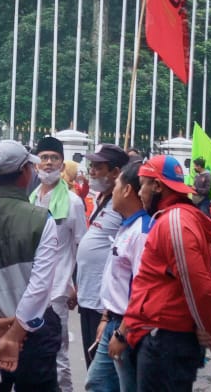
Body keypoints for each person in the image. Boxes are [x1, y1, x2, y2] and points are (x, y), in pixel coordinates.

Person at [114, 156, 211, 392]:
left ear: (158, 186)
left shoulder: (175, 222)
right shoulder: (172, 218)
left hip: (166, 342)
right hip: (160, 336)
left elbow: (197, 285)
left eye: (143, 185)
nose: (139, 193)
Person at [0, 140, 63, 391]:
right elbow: (40, 286)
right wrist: (15, 335)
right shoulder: (41, 218)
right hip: (34, 333)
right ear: (25, 173)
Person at [29, 135, 86, 392]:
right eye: (44, 158)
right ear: (36, 164)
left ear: (62, 165)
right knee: (32, 348)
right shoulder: (30, 200)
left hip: (57, 289)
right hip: (30, 289)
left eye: (54, 158)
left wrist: (74, 284)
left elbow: (80, 247)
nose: (49, 163)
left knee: (59, 351)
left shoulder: (73, 202)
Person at [85, 160, 146, 392]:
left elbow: (142, 289)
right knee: (98, 383)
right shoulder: (127, 227)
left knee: (124, 386)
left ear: (128, 189)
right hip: (114, 321)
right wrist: (105, 318)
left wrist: (122, 333)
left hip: (126, 326)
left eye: (118, 183)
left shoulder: (141, 233)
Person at [74, 144, 129, 367]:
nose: (92, 171)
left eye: (98, 167)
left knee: (102, 371)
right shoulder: (102, 200)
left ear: (115, 173)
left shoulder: (122, 206)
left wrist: (108, 314)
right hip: (87, 297)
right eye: (91, 166)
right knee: (91, 364)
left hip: (103, 304)